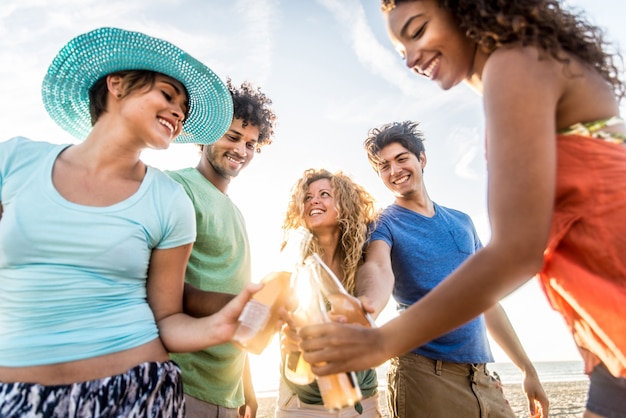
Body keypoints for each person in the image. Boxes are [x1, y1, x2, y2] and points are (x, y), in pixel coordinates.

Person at [299, 1, 626, 417]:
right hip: (604, 336)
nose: (411, 58)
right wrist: (366, 307)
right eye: (402, 50)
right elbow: (378, 269)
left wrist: (382, 342)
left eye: (417, 31)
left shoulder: (515, 65)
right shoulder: (387, 222)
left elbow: (515, 254)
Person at [0, 27, 260, 417]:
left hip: (139, 394)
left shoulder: (167, 200)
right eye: (167, 95)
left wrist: (222, 327)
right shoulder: (16, 160)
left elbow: (167, 318)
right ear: (117, 84)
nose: (178, 112)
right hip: (18, 397)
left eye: (183, 108)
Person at [167, 78, 277, 418]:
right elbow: (166, 291)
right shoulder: (176, 187)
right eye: (232, 136)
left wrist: (246, 383)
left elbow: (231, 288)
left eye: (251, 144)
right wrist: (253, 310)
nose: (242, 150)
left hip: (227, 391)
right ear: (204, 136)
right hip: (184, 383)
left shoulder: (238, 214)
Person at [276, 168, 381, 417]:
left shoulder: (365, 255)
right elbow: (280, 319)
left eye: (324, 194)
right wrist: (286, 337)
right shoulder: (294, 256)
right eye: (307, 197)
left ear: (344, 204)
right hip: (303, 403)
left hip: (363, 399)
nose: (314, 200)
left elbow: (375, 294)